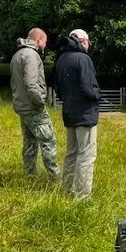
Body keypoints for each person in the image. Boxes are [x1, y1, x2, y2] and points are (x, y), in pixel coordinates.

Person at [54, 29, 101, 198]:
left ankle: (67, 189)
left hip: (69, 112)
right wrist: (98, 95)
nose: (89, 45)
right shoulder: (83, 59)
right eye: (88, 42)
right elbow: (89, 88)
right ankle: (82, 196)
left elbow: (57, 89)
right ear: (82, 41)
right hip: (85, 113)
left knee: (71, 153)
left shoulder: (61, 60)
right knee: (87, 154)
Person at [9, 28, 60, 178]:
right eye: (44, 41)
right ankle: (54, 178)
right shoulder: (31, 55)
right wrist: (40, 103)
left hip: (21, 106)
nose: (45, 44)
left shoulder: (17, 55)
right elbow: (31, 84)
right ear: (38, 40)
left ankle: (30, 175)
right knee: (48, 141)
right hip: (32, 106)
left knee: (29, 142)